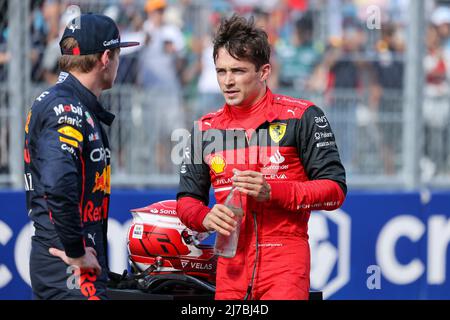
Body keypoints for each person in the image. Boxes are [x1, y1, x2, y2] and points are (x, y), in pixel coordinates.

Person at [176, 14, 346, 300]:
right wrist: (206, 217)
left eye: (238, 71)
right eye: (221, 71)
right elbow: (186, 201)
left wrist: (273, 191)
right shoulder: (204, 129)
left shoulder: (303, 117)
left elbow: (335, 191)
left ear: (264, 72)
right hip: (230, 270)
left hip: (285, 266)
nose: (228, 81)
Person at [24, 13, 139, 300]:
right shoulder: (66, 108)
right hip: (68, 268)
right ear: (105, 58)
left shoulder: (71, 103)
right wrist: (76, 251)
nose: (117, 62)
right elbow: (57, 184)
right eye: (117, 54)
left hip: (67, 263)